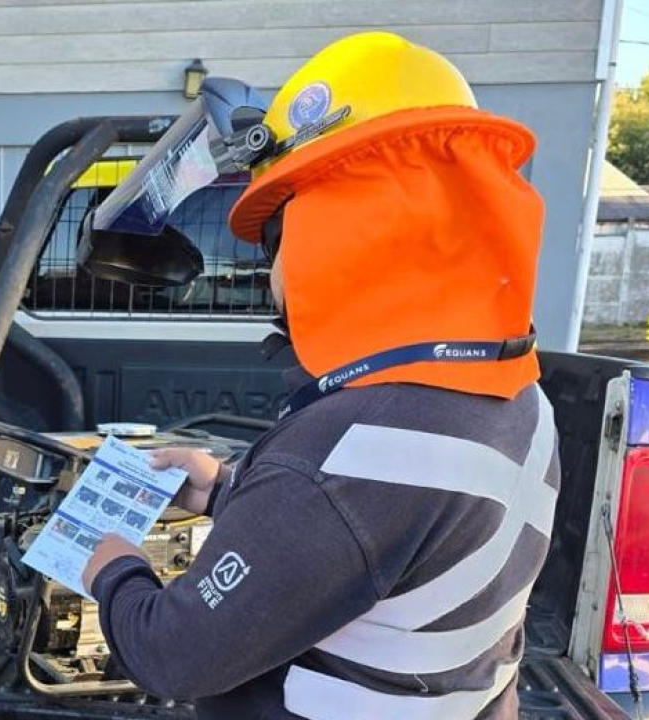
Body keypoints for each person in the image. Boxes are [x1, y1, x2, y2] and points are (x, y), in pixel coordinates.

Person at [83, 32, 558, 719]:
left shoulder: (347, 453)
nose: (268, 272)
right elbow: (374, 535)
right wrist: (225, 489)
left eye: (275, 238)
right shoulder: (520, 398)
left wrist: (113, 569)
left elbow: (173, 655)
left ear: (333, 228)